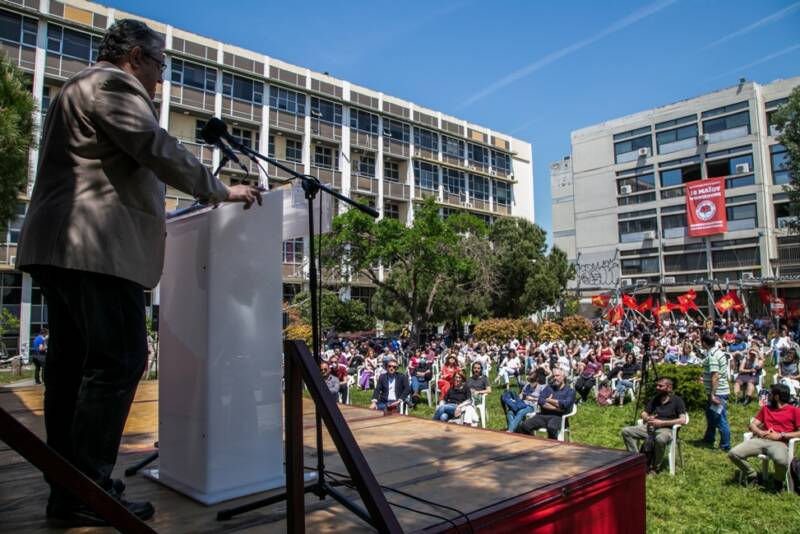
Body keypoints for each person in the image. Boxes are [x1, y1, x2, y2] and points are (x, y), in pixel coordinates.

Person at [14, 19, 262, 527]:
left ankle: (70, 489)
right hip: (95, 248)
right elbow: (156, 147)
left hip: (62, 247)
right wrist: (220, 190)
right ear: (134, 56)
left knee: (70, 369)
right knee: (120, 360)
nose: (161, 78)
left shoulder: (76, 87)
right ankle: (89, 486)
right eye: (160, 65)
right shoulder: (111, 84)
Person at [728, 384, 800, 488]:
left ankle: (778, 480)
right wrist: (759, 432)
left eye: (770, 394)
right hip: (761, 440)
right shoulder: (766, 409)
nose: (767, 396)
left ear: (776, 397)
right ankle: (752, 475)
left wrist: (781, 435)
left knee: (781, 461)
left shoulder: (794, 411)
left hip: (779, 443)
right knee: (733, 453)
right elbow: (752, 425)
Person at [620, 377, 687, 474]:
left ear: (669, 388)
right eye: (657, 385)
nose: (657, 387)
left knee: (660, 439)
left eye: (660, 386)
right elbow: (644, 413)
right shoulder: (655, 398)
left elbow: (683, 420)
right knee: (626, 431)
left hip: (667, 429)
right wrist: (647, 418)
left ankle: (655, 467)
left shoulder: (677, 401)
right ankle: (637, 460)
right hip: (650, 428)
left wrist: (662, 423)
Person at [518, 368, 576, 440]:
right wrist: (557, 408)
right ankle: (534, 442)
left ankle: (552, 445)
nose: (555, 378)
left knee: (551, 427)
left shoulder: (570, 391)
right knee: (525, 426)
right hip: (543, 415)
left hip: (558, 417)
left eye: (557, 376)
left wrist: (549, 400)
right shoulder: (549, 388)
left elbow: (565, 404)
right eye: (553, 376)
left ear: (563, 377)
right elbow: (541, 401)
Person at [701, 332, 731, 452]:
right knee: (710, 415)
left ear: (704, 343)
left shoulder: (712, 355)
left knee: (720, 418)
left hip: (718, 392)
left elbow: (715, 375)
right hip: (717, 390)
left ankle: (725, 445)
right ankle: (709, 437)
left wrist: (713, 394)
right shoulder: (718, 352)